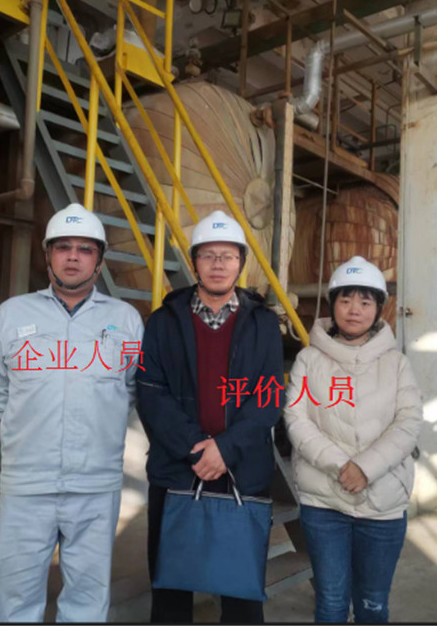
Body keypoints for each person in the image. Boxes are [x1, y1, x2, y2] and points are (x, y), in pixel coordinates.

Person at [0, 203, 144, 622]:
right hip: (26, 481)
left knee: (88, 594)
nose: (73, 257)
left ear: (99, 260)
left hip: (95, 483)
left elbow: (130, 389)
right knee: (15, 593)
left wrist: (96, 417)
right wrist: (30, 421)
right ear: (47, 254)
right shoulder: (11, 315)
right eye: (63, 247)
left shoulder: (125, 321)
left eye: (85, 249)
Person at [137, 210, 283, 624]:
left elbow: (269, 396)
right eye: (208, 255)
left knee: (240, 595)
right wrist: (196, 449)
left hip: (241, 471)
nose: (218, 264)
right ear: (194, 262)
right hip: (177, 470)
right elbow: (151, 393)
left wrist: (225, 449)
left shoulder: (263, 324)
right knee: (170, 591)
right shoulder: (164, 321)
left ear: (241, 263)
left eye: (228, 256)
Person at [283, 255, 422, 623]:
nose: (354, 310)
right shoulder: (309, 360)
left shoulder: (396, 363)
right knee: (330, 602)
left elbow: (408, 421)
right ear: (333, 306)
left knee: (373, 604)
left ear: (378, 309)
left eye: (365, 301)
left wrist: (366, 467)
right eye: (345, 300)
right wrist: (341, 466)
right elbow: (296, 419)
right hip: (324, 504)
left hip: (383, 504)